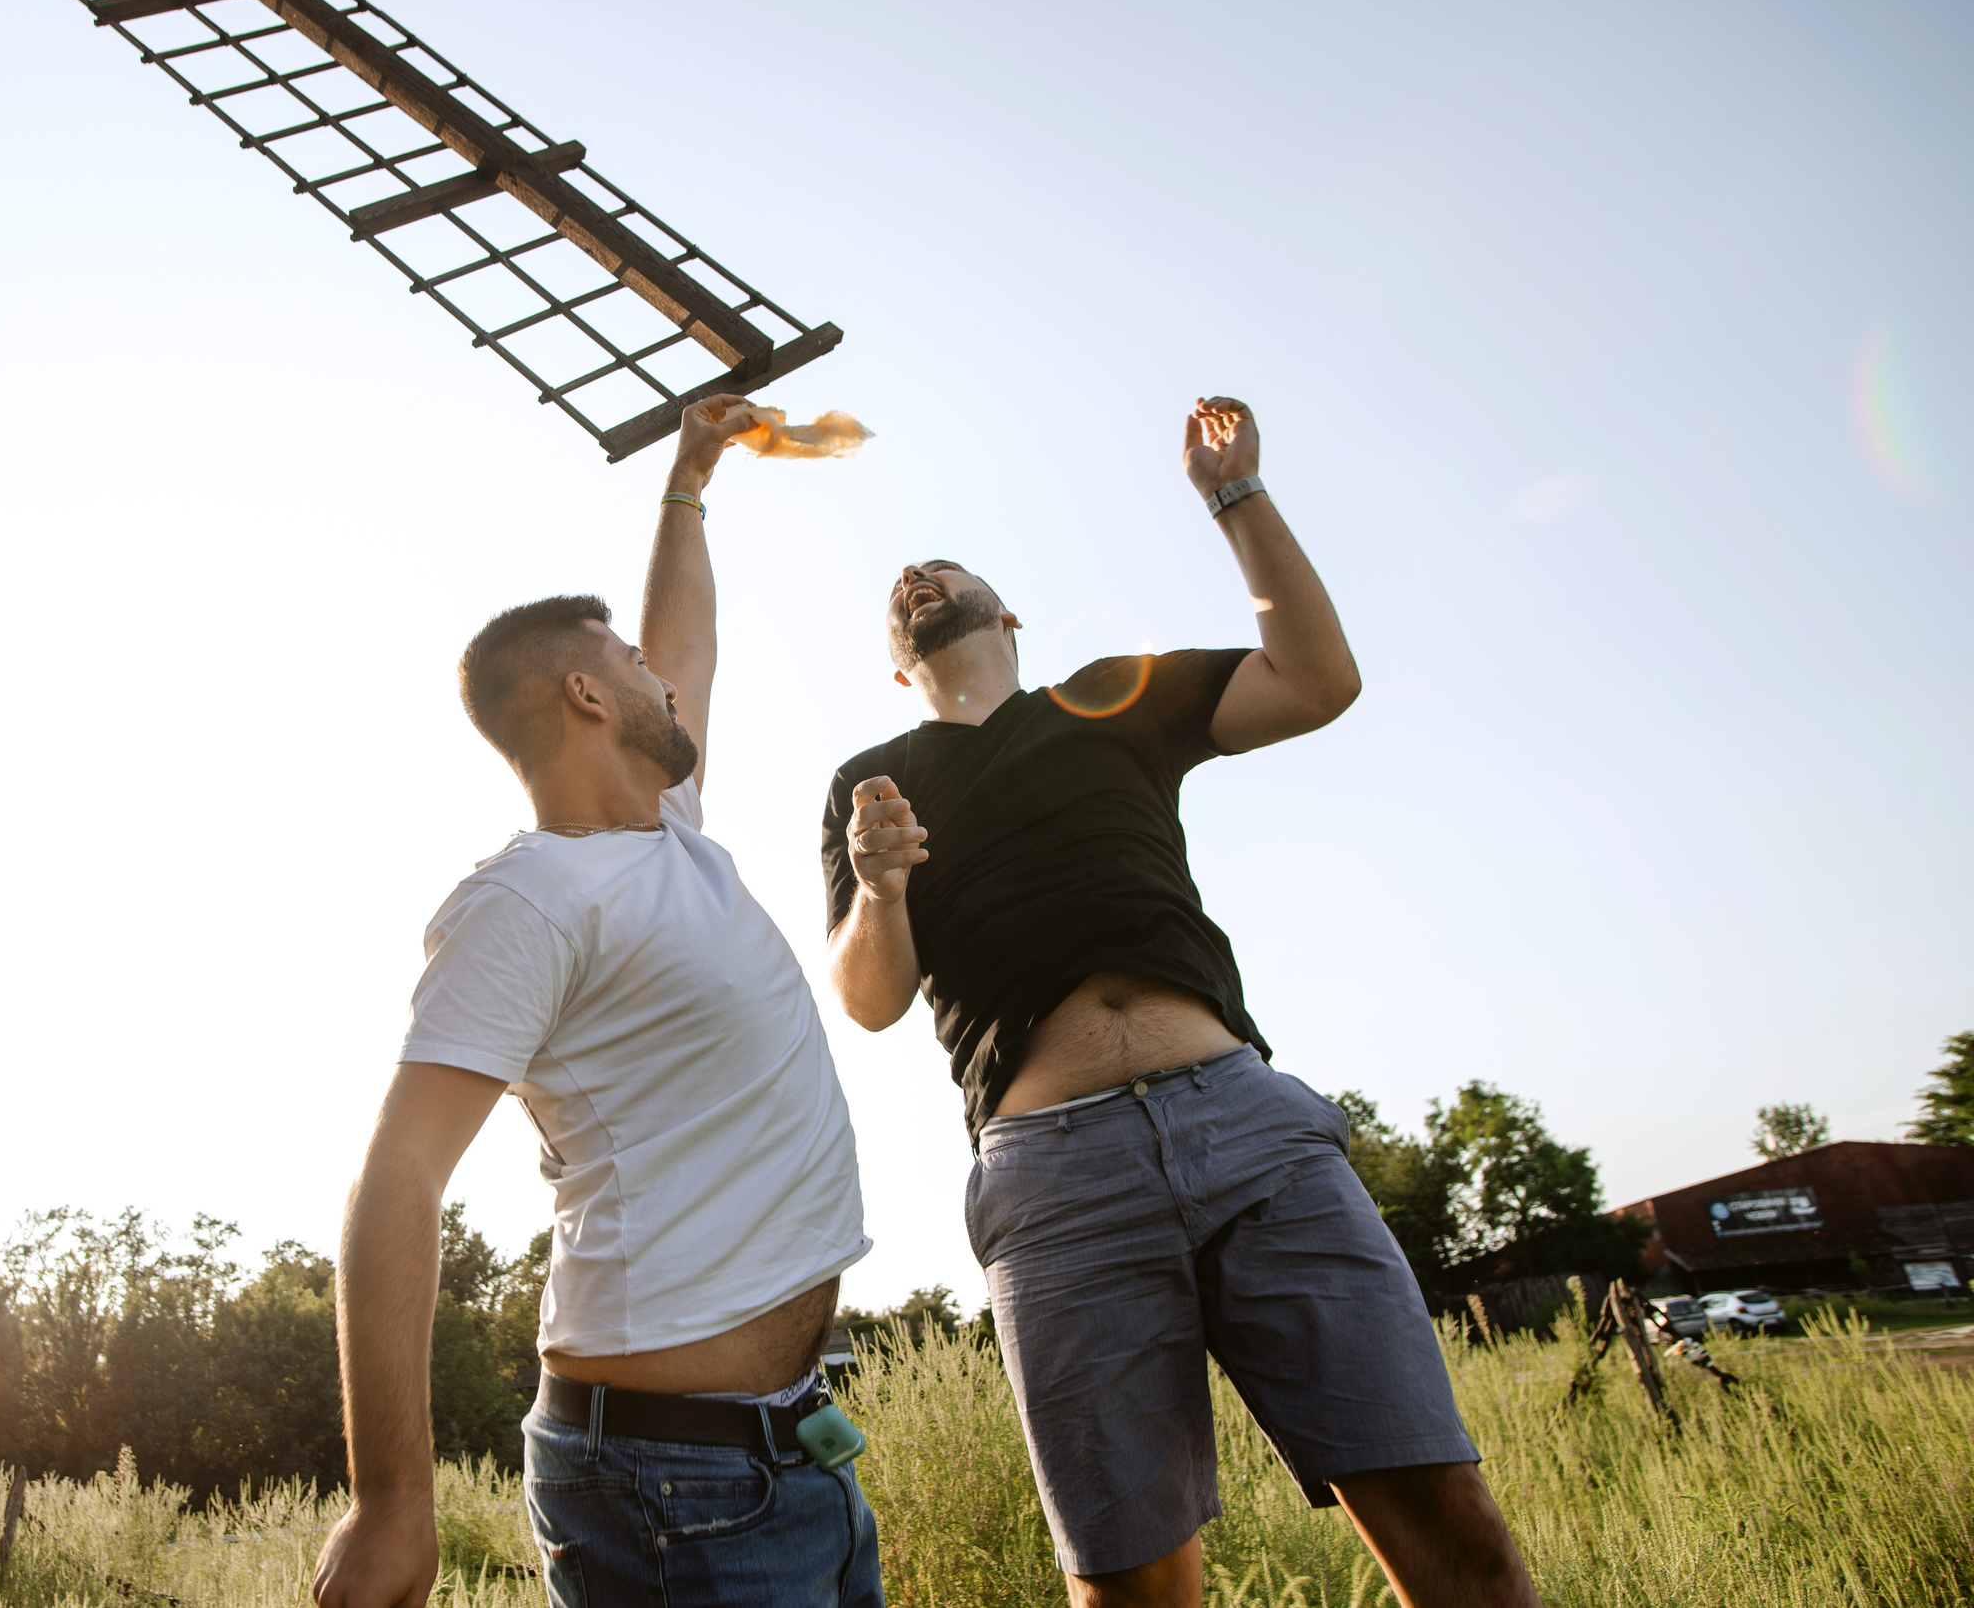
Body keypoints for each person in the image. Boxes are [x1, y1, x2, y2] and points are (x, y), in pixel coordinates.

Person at [820, 398, 1540, 1608]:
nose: (914, 576)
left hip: (1248, 1132)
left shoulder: (1113, 695)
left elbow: (1315, 680)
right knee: (1129, 1581)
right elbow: (869, 999)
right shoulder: (872, 782)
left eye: (942, 569)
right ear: (900, 662)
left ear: (1007, 614)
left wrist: (1234, 495)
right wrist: (881, 884)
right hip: (1054, 1179)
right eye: (900, 588)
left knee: (1445, 1518)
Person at [313, 395, 882, 1608]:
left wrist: (689, 476)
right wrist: (389, 1503)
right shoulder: (528, 898)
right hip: (671, 1486)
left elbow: (687, 642)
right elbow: (395, 1176)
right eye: (631, 667)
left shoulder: (667, 835)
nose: (664, 683)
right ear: (582, 694)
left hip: (789, 1454)